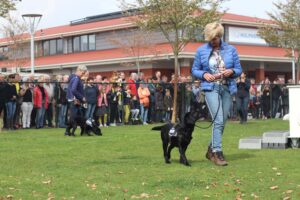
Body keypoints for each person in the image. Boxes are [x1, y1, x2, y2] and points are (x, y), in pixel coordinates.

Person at [191, 22, 242, 166]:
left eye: (215, 38)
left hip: (227, 88)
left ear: (219, 36)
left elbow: (239, 69)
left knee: (222, 122)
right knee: (218, 120)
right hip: (210, 88)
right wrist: (204, 74)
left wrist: (232, 71)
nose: (212, 41)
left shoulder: (231, 49)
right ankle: (217, 153)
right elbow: (194, 70)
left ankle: (210, 148)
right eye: (210, 38)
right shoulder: (201, 51)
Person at [65, 65, 88, 136]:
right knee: (75, 118)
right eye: (83, 73)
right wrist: (81, 97)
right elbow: (73, 90)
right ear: (79, 70)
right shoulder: (76, 79)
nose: (83, 74)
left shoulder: (75, 78)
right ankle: (68, 131)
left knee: (76, 117)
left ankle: (69, 131)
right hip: (75, 101)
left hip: (74, 100)